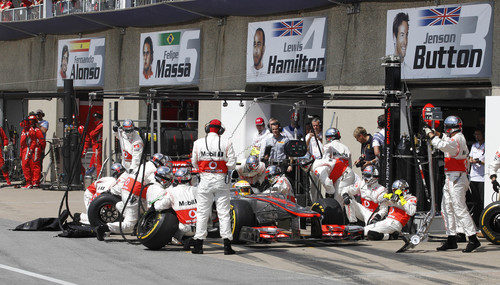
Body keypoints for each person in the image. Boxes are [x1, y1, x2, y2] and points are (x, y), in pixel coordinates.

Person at [425, 116, 481, 252]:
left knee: (459, 208)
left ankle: (473, 239)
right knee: (446, 208)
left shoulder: (457, 139)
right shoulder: (455, 137)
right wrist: (438, 134)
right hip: (451, 178)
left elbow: (443, 145)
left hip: (457, 179)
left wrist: (432, 136)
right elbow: (446, 140)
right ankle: (451, 238)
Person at [96, 153, 168, 240]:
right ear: (160, 162)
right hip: (133, 193)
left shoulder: (144, 165)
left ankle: (137, 225)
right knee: (129, 224)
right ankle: (104, 228)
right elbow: (155, 184)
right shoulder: (153, 170)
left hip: (127, 190)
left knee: (125, 206)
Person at [190, 119, 236, 254]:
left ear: (207, 129)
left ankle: (198, 244)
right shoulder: (227, 142)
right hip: (221, 180)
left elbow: (194, 162)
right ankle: (227, 245)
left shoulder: (198, 143)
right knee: (223, 212)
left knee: (202, 212)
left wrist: (205, 169)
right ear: (220, 130)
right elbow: (232, 164)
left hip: (204, 180)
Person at [152, 166, 198, 247]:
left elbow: (158, 207)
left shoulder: (171, 191)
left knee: (168, 208)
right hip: (200, 229)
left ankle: (176, 237)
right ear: (189, 179)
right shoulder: (197, 190)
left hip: (183, 229)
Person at [468, 128, 485, 227]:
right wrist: (472, 160)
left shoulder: (486, 145)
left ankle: (483, 222)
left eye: (478, 134)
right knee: (475, 201)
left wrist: (478, 161)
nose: (477, 136)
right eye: (475, 135)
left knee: (482, 200)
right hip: (473, 176)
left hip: (482, 177)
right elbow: (470, 158)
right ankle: (476, 222)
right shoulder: (474, 146)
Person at [27, 115, 45, 188]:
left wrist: (42, 149)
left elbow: (42, 141)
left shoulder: (37, 130)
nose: (31, 123)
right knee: (31, 164)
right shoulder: (31, 129)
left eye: (32, 121)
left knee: (36, 165)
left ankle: (36, 181)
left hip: (37, 148)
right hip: (32, 148)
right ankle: (32, 181)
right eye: (30, 121)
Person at [89, 112, 103, 176]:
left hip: (98, 145)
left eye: (97, 118)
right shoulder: (100, 125)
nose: (95, 120)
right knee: (95, 162)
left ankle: (98, 177)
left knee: (98, 163)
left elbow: (92, 134)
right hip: (97, 145)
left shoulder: (101, 125)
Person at [20, 118, 32, 188]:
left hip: (27, 148)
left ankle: (29, 182)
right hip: (23, 149)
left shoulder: (29, 130)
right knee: (24, 165)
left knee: (25, 165)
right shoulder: (23, 130)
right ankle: (28, 182)